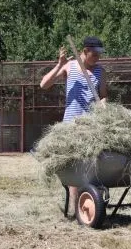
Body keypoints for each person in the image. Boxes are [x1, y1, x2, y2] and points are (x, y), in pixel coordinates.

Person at [40, 36, 107, 216]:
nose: (98, 58)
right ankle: (74, 209)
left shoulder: (100, 71)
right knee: (74, 169)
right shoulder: (69, 67)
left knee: (92, 166)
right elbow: (44, 84)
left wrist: (105, 108)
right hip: (70, 126)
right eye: (95, 54)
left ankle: (91, 203)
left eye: (100, 54)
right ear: (85, 51)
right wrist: (59, 64)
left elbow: (103, 96)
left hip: (92, 127)